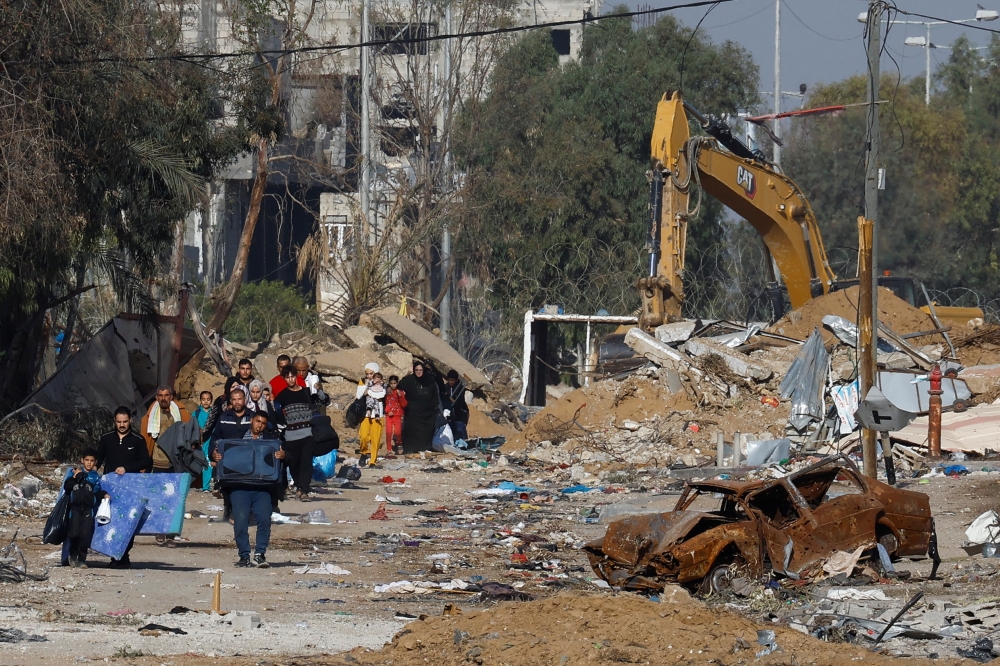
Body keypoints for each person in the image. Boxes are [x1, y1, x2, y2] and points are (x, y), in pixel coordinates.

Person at [211, 412, 284, 568]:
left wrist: (284, 456)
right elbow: (217, 448)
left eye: (263, 423)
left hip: (263, 488)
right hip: (239, 487)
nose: (259, 425)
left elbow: (286, 458)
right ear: (251, 421)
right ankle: (244, 556)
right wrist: (215, 456)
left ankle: (259, 554)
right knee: (240, 523)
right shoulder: (235, 438)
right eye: (257, 421)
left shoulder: (272, 441)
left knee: (264, 520)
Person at [95, 407, 152, 569]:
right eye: (119, 422)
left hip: (130, 489)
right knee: (111, 521)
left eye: (125, 422)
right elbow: (98, 460)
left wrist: (127, 467)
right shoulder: (106, 438)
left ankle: (123, 555)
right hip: (110, 489)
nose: (122, 425)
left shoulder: (137, 440)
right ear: (114, 421)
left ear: (130, 421)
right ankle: (115, 554)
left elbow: (146, 462)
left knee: (128, 522)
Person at [274, 364, 317, 501]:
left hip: (308, 434)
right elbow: (278, 417)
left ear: (296, 377)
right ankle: (299, 486)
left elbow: (323, 401)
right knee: (294, 463)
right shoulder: (281, 397)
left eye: (293, 376)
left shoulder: (306, 392)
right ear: (284, 378)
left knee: (306, 463)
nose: (291, 379)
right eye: (287, 377)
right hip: (291, 436)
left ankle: (304, 490)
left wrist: (319, 391)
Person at [63, 449, 110, 568]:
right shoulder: (73, 472)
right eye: (87, 460)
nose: (89, 463)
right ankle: (72, 554)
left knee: (85, 535)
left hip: (88, 510)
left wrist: (103, 494)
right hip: (75, 508)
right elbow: (67, 487)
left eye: (92, 461)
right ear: (82, 460)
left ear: (95, 462)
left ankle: (82, 559)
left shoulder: (95, 477)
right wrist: (75, 477)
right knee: (74, 533)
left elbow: (96, 492)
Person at [140, 386, 191, 473]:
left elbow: (190, 432)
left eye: (166, 395)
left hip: (176, 460)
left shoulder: (180, 413)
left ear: (171, 397)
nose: (163, 398)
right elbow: (145, 440)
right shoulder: (150, 416)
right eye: (160, 395)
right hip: (158, 461)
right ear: (156, 397)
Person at [396, 360, 441, 454]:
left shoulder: (429, 379)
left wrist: (434, 406)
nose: (419, 372)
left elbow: (435, 394)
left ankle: (425, 449)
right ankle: (411, 450)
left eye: (420, 370)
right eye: (416, 370)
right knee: (412, 431)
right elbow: (399, 385)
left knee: (427, 432)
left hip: (427, 413)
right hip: (413, 412)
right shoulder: (409, 380)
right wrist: (408, 373)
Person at [356, 364, 386, 467]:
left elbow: (382, 395)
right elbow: (359, 395)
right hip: (365, 414)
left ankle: (373, 460)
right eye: (367, 373)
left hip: (378, 414)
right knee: (363, 435)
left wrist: (371, 390)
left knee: (375, 438)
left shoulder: (382, 383)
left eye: (371, 373)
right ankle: (364, 452)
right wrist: (367, 386)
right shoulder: (362, 382)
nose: (369, 376)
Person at [193, 391, 214, 491]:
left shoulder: (213, 413)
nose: (206, 402)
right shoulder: (196, 413)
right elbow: (192, 426)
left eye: (208, 399)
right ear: (200, 400)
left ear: (211, 401)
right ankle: (198, 484)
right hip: (200, 441)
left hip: (210, 441)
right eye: (203, 399)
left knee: (208, 462)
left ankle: (206, 486)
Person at [441, 370, 470, 441]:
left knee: (460, 428)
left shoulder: (460, 388)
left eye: (453, 380)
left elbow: (460, 402)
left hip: (460, 413)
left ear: (456, 380)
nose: (450, 382)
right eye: (449, 380)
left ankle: (464, 442)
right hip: (449, 413)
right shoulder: (445, 388)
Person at [384, 375, 407, 456]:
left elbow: (404, 404)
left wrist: (400, 396)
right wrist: (388, 411)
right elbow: (387, 403)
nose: (393, 385)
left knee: (398, 432)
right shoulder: (388, 392)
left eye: (394, 383)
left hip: (397, 415)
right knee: (388, 432)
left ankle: (399, 444)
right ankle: (389, 449)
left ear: (397, 383)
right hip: (389, 415)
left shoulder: (400, 392)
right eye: (391, 383)